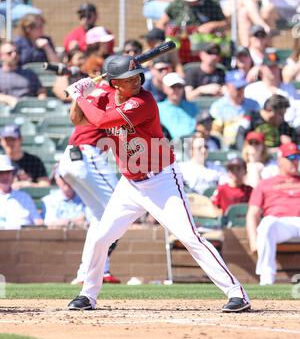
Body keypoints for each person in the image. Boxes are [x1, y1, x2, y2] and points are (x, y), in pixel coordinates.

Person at [65, 54, 251, 312]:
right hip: (129, 184)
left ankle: (237, 293)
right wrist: (82, 94)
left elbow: (103, 120)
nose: (138, 80)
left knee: (190, 236)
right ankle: (88, 295)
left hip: (162, 180)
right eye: (130, 78)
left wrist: (80, 96)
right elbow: (78, 120)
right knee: (100, 238)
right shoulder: (105, 94)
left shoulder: (144, 101)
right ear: (116, 83)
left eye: (138, 74)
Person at [58, 66, 120, 285]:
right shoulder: (111, 94)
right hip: (87, 154)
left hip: (70, 158)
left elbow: (75, 117)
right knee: (119, 208)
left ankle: (89, 272)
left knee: (99, 218)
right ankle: (98, 270)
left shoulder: (94, 92)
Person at [246, 142, 300, 285]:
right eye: (291, 157)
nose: (296, 160)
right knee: (267, 223)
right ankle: (267, 279)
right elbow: (252, 214)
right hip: (279, 224)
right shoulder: (265, 183)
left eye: (297, 156)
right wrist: (253, 241)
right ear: (280, 160)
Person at [156, 0, 227, 64]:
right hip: (179, 43)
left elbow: (225, 24)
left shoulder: (211, 3)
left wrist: (211, 25)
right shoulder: (178, 3)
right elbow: (161, 24)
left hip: (204, 45)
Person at [210, 70, 260, 148]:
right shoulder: (218, 106)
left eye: (242, 87)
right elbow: (215, 133)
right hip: (226, 147)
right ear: (227, 86)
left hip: (250, 146)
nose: (240, 90)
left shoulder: (254, 105)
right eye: (237, 88)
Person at [0, 124, 50, 189]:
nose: (10, 143)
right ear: (1, 141)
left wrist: (29, 185)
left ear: (21, 139)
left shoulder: (33, 161)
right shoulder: (1, 161)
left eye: (12, 139)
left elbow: (45, 184)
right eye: (7, 140)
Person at [0, 154, 42, 229]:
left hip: (25, 238)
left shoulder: (24, 197)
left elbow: (38, 222)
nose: (4, 177)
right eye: (1, 173)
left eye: (7, 172)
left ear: (12, 174)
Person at [0, 41, 47, 107]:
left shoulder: (29, 73)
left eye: (16, 52)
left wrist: (40, 103)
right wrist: (8, 99)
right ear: (1, 56)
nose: (14, 55)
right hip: (6, 110)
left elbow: (41, 91)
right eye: (9, 53)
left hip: (29, 109)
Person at [157, 72, 198, 139]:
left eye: (179, 86)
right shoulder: (158, 108)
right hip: (169, 144)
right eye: (172, 87)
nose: (176, 90)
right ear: (164, 88)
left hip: (192, 142)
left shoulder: (192, 106)